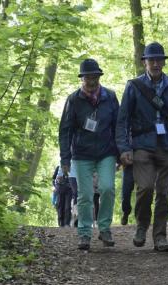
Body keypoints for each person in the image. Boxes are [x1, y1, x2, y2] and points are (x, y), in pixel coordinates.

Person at [116, 42, 168, 251]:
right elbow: (122, 120)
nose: (155, 63)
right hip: (141, 145)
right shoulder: (134, 86)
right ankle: (142, 225)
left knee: (164, 193)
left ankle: (160, 236)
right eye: (151, 60)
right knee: (145, 188)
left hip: (166, 146)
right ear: (144, 62)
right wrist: (124, 149)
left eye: (159, 60)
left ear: (164, 62)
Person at [59, 58, 119, 250]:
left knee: (108, 188)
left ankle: (104, 229)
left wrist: (121, 153)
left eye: (94, 77)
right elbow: (65, 130)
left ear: (99, 77)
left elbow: (118, 126)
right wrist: (65, 159)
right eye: (87, 78)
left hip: (106, 152)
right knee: (84, 195)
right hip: (81, 155)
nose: (91, 81)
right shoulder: (73, 100)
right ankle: (84, 233)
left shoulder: (110, 97)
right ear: (82, 79)